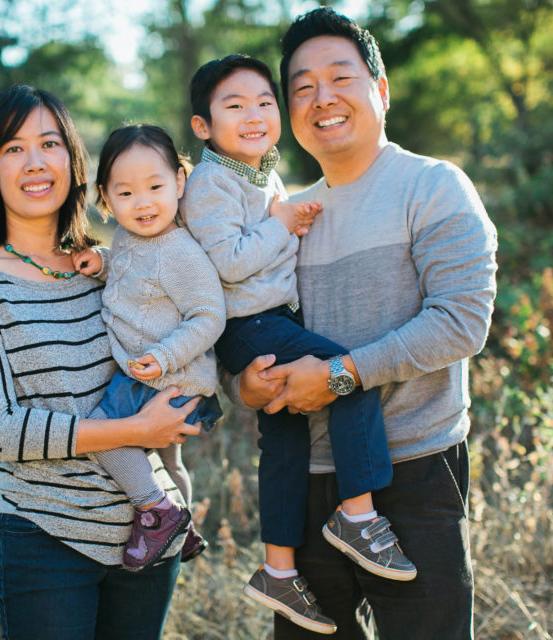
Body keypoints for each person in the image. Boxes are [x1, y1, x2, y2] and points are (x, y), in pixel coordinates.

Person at [235, 8, 499, 639]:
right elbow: (246, 323)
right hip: (304, 480)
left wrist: (341, 375)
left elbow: (462, 321)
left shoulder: (432, 186)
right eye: (302, 87)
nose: (321, 98)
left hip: (412, 470)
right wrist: (243, 385)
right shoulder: (284, 215)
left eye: (340, 78)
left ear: (381, 90)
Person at [0, 85, 202, 640]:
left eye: (49, 143)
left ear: (72, 160)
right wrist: (133, 429)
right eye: (13, 148)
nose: (34, 162)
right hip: (48, 535)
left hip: (148, 530)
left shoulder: (109, 259)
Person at [180, 54, 416, 636]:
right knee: (348, 376)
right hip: (253, 323)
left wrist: (281, 217)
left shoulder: (262, 174)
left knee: (283, 442)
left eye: (264, 102)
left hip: (262, 322)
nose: (255, 114)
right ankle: (357, 517)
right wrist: (281, 222)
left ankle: (278, 567)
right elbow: (228, 263)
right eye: (234, 106)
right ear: (202, 127)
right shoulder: (212, 183)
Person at [70, 124, 226, 572]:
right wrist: (100, 262)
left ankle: (156, 510)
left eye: (156, 187)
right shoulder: (129, 236)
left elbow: (208, 314)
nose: (143, 203)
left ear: (179, 181)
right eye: (125, 193)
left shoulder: (179, 252)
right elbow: (130, 276)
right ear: (106, 197)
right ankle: (186, 523)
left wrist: (165, 355)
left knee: (102, 435)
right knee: (170, 460)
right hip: (157, 378)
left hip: (167, 379)